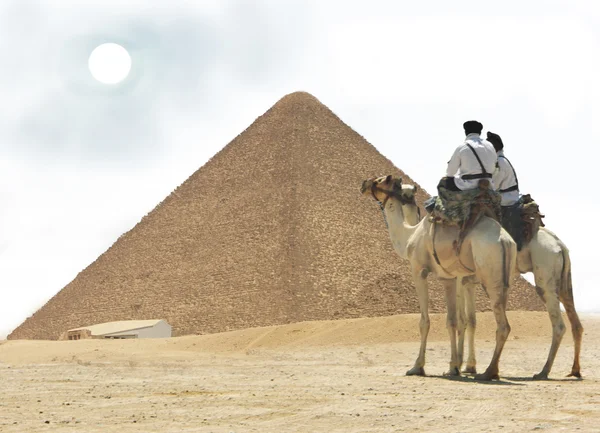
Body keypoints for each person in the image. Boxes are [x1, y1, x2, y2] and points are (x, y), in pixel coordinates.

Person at [440, 120, 498, 192]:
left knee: (443, 183)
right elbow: (495, 169)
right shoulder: (490, 146)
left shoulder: (462, 147)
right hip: (489, 185)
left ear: (466, 132)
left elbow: (450, 172)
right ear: (480, 132)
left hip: (467, 186)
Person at [487, 131, 520, 206]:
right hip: (508, 196)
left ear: (495, 147)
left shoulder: (500, 162)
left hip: (507, 199)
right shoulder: (501, 160)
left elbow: (494, 186)